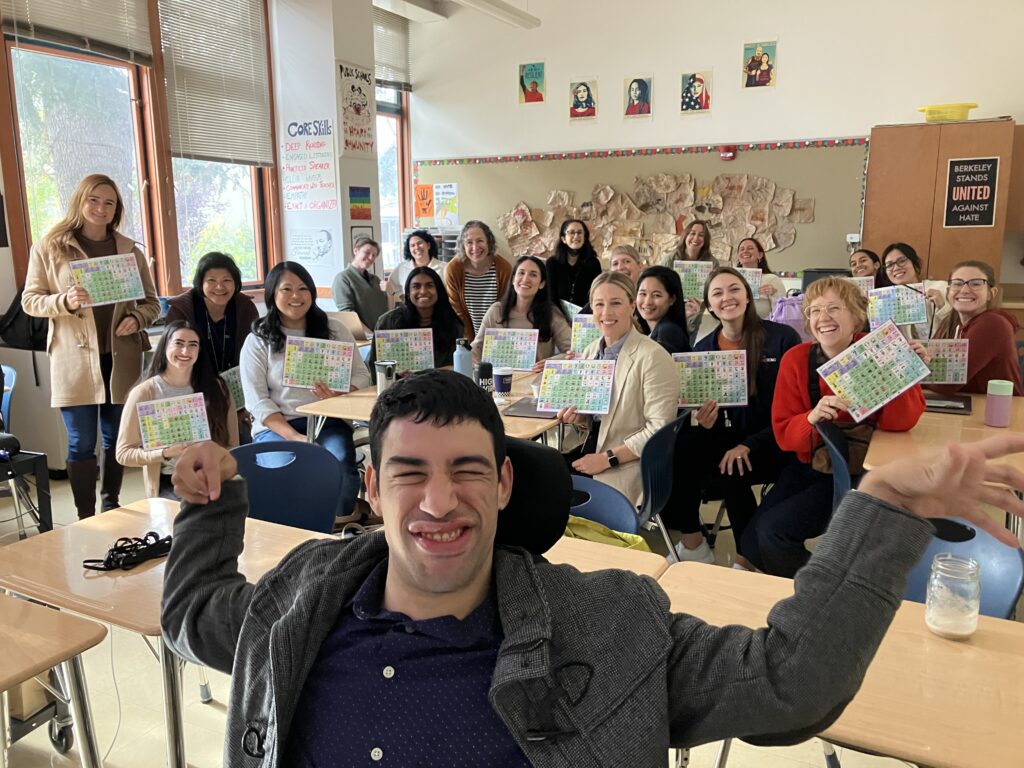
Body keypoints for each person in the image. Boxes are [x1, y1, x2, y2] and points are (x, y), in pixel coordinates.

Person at [162, 368, 1024, 768]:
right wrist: (212, 499)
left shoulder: (611, 626)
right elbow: (194, 613)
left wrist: (883, 512)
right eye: (409, 474)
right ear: (370, 485)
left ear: (503, 483)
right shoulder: (295, 602)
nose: (438, 502)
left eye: (467, 470)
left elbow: (788, 682)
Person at [743, 277, 927, 577]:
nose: (822, 318)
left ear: (856, 315)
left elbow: (901, 423)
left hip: (861, 470)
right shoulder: (797, 359)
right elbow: (785, 436)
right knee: (751, 542)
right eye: (814, 311)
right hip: (812, 460)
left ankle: (825, 595)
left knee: (773, 534)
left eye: (833, 308)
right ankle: (824, 584)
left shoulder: (878, 350)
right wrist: (810, 418)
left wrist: (902, 373)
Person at [22, 173, 160, 519]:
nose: (101, 208)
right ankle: (85, 514)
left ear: (117, 209)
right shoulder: (50, 247)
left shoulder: (129, 250)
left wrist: (138, 319)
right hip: (74, 358)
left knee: (118, 436)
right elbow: (30, 300)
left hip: (122, 355)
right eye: (93, 200)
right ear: (80, 202)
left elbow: (153, 303)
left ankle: (111, 503)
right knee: (81, 440)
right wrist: (63, 302)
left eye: (109, 202)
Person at [666, 268, 801, 565]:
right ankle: (694, 543)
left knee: (733, 464)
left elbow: (796, 408)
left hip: (776, 441)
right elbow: (710, 421)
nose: (727, 298)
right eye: (717, 293)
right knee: (680, 448)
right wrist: (704, 422)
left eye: (734, 289)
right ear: (709, 306)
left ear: (748, 296)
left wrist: (750, 444)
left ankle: (745, 556)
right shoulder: (703, 350)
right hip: (729, 439)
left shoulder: (781, 339)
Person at [241, 261, 371, 518]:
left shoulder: (334, 330)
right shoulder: (259, 339)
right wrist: (294, 437)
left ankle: (339, 521)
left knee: (338, 465)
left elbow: (361, 375)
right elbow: (257, 401)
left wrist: (340, 394)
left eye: (302, 289)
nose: (295, 296)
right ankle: (296, 530)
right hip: (277, 426)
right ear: (272, 294)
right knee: (285, 472)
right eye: (286, 289)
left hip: (327, 421)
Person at [556, 272, 678, 504]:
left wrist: (607, 458)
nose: (606, 313)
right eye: (599, 304)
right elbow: (596, 418)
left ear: (632, 306)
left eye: (616, 303)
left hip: (627, 462)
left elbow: (659, 430)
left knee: (555, 497)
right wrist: (579, 416)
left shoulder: (654, 357)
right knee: (537, 470)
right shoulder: (592, 351)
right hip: (592, 447)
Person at [116, 321, 238, 498]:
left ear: (200, 351)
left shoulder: (217, 388)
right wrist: (164, 453)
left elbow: (232, 443)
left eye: (192, 345)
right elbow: (124, 453)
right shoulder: (144, 392)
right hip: (170, 480)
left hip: (214, 476)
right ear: (165, 346)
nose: (185, 352)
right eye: (178, 344)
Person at [165, 251, 260, 441]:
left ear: (236, 283)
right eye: (211, 280)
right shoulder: (182, 309)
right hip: (193, 392)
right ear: (200, 283)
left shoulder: (244, 307)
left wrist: (246, 406)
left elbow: (255, 356)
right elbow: (173, 360)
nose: (219, 287)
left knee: (246, 443)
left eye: (226, 280)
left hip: (237, 393)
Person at [928, 260, 1024, 396]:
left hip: (998, 411)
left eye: (976, 284)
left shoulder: (992, 324)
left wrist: (918, 372)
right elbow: (927, 360)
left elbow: (946, 383)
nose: (965, 290)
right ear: (949, 292)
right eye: (957, 283)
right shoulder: (950, 323)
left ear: (991, 292)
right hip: (965, 404)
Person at [472, 256, 571, 370]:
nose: (525, 279)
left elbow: (572, 352)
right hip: (497, 382)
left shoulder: (551, 313)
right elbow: (476, 347)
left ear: (542, 284)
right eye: (521, 273)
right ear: (513, 279)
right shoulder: (496, 311)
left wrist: (552, 362)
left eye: (533, 274)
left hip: (533, 382)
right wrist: (472, 359)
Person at [367, 266, 462, 381]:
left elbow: (458, 367)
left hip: (440, 390)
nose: (423, 291)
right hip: (395, 390)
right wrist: (394, 374)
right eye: (416, 286)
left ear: (439, 291)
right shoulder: (388, 322)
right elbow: (374, 366)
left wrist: (429, 375)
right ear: (407, 292)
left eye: (430, 286)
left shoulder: (452, 324)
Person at [444, 220, 512, 342]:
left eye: (480, 241)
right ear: (463, 246)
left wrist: (492, 342)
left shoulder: (504, 268)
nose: (475, 247)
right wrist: (472, 344)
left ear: (489, 242)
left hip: (498, 335)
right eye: (469, 242)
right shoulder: (453, 269)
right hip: (466, 335)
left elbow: (503, 309)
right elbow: (459, 313)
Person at [881, 242, 948, 338]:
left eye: (902, 260)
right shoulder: (887, 301)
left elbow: (958, 326)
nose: (896, 268)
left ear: (914, 262)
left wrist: (942, 306)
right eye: (889, 265)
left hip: (941, 350)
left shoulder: (940, 287)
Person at [332, 236, 389, 336]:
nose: (371, 257)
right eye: (367, 252)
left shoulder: (375, 280)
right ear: (356, 251)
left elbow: (386, 308)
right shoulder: (343, 278)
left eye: (374, 255)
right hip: (363, 338)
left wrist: (390, 292)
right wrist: (370, 335)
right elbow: (347, 313)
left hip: (381, 335)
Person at [544, 219, 603, 308]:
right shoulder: (552, 263)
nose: (576, 236)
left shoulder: (593, 263)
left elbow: (597, 294)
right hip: (557, 315)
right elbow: (550, 296)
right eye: (571, 232)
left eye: (579, 233)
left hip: (585, 316)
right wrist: (559, 317)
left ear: (584, 238)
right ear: (563, 239)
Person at [635, 266, 691, 354]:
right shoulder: (652, 331)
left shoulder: (667, 332)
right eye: (643, 294)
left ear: (672, 299)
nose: (648, 302)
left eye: (656, 295)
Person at [387, 230, 446, 305]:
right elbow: (391, 285)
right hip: (411, 313)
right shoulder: (402, 268)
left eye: (420, 243)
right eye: (412, 245)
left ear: (428, 245)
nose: (417, 247)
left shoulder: (444, 267)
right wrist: (405, 300)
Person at [735, 237, 786, 314]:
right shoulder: (731, 279)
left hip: (763, 324)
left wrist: (775, 294)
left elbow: (783, 310)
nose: (745, 251)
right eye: (742, 249)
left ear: (760, 255)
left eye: (750, 248)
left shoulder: (771, 279)